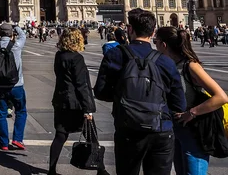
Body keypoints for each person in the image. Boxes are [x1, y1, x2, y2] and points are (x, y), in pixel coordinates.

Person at [94, 9, 186, 175]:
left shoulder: (115, 55)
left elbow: (101, 92)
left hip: (128, 128)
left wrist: (124, 97)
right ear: (153, 32)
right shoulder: (165, 61)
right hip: (161, 129)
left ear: (130, 29)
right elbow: (179, 103)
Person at [155, 26, 228, 175]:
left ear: (163, 45)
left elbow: (221, 97)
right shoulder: (169, 66)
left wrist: (192, 113)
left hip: (194, 130)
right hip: (178, 130)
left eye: (156, 41)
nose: (154, 44)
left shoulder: (190, 66)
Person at [48, 28, 109, 175]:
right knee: (92, 136)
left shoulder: (59, 56)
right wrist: (88, 109)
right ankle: (101, 170)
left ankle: (51, 170)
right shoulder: (76, 58)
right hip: (76, 104)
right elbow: (81, 85)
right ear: (77, 40)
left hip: (61, 101)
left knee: (60, 135)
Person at [0, 23, 27, 150]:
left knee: (1, 114)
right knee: (21, 111)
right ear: (11, 33)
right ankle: (17, 139)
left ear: (0, 33)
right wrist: (15, 26)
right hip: (16, 85)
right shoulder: (16, 46)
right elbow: (23, 35)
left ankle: (4, 143)